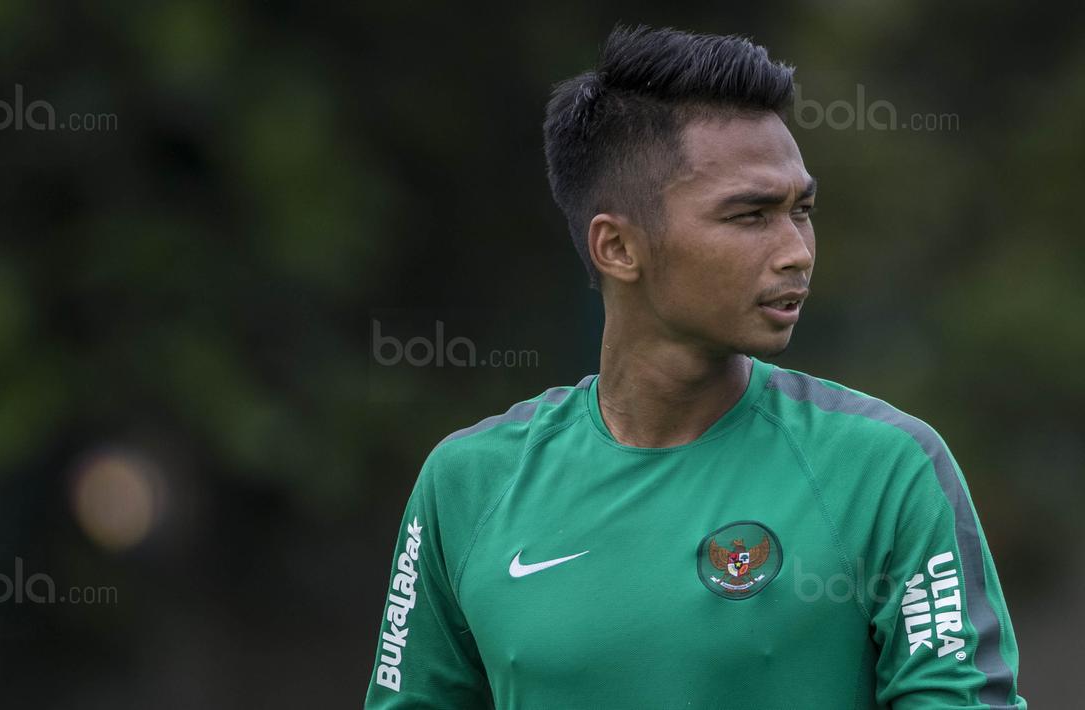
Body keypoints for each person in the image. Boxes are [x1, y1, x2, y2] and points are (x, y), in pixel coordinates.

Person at [364, 24, 1026, 709]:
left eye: (801, 211)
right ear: (617, 247)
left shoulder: (886, 469)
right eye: (749, 216)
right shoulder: (466, 486)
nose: (796, 250)